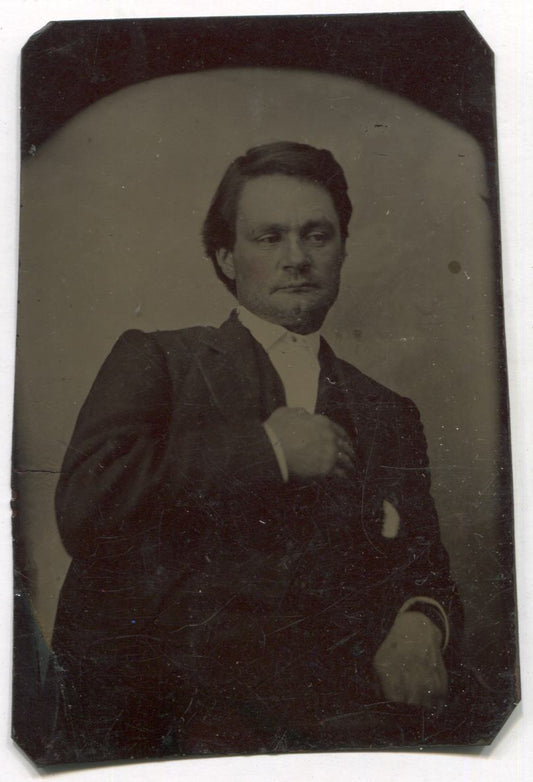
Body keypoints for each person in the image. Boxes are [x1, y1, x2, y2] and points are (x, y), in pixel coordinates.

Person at [48, 142, 462, 763]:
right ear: (225, 257)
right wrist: (267, 449)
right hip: (164, 731)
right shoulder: (160, 360)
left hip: (333, 731)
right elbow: (85, 509)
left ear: (343, 249)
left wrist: (421, 620)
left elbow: (426, 569)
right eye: (269, 238)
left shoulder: (389, 412)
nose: (296, 259)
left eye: (317, 236)